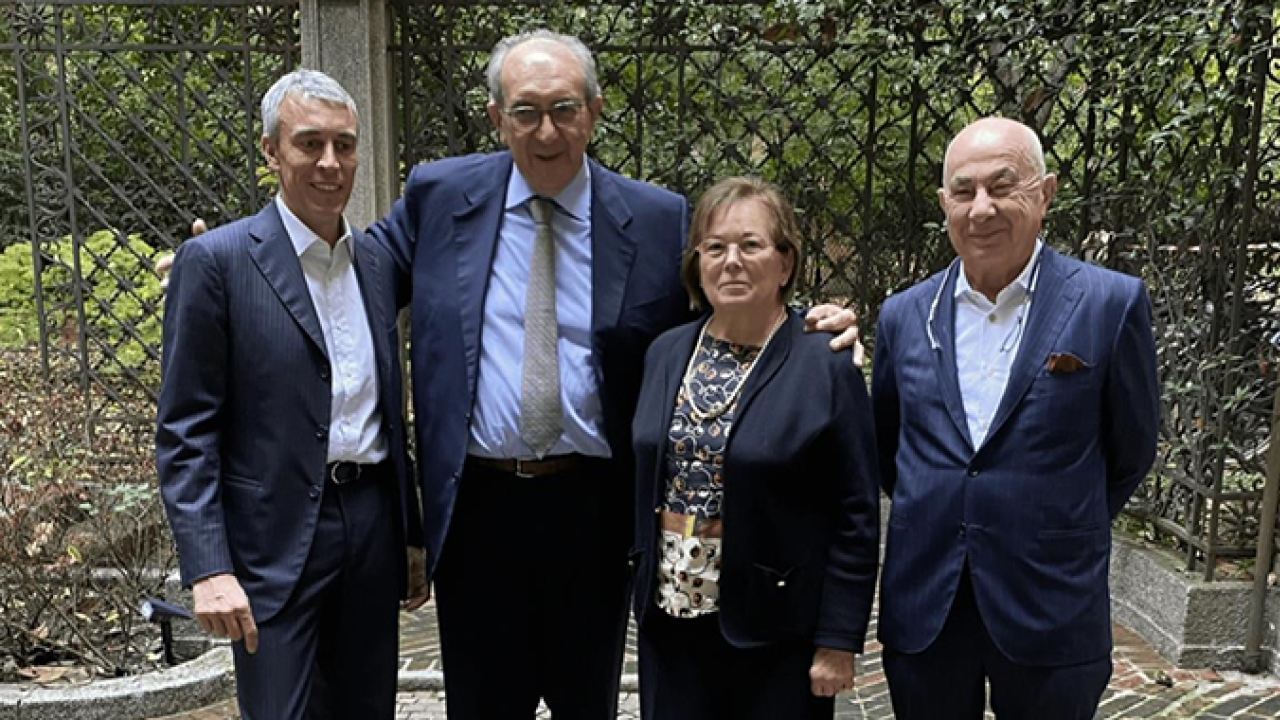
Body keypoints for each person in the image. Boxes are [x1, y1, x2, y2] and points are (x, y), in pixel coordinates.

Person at [365, 29, 859, 719]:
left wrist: (813, 328)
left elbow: (730, 297)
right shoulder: (440, 197)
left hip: (594, 514)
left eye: (565, 108)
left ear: (594, 112)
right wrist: (236, 271)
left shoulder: (656, 220)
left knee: (585, 704)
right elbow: (355, 281)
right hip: (476, 511)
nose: (547, 130)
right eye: (526, 110)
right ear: (496, 117)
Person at [155, 69, 427, 720]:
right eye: (309, 144)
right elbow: (185, 430)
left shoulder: (378, 265)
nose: (330, 163)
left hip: (370, 528)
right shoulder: (218, 263)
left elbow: (390, 412)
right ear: (272, 151)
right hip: (271, 541)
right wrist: (207, 566)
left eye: (345, 144)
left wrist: (409, 536)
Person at [871, 117, 1160, 719]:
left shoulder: (1110, 303)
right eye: (964, 191)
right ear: (943, 202)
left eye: (1003, 187)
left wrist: (1052, 514)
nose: (982, 209)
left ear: (1045, 192)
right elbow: (890, 450)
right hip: (929, 604)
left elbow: (1131, 449)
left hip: (1051, 604)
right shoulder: (903, 316)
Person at [629, 177, 880, 719]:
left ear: (785, 264)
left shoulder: (826, 363)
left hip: (776, 633)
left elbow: (856, 512)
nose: (731, 261)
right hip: (670, 622)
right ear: (697, 263)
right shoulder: (665, 352)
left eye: (751, 245)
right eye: (715, 247)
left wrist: (838, 639)